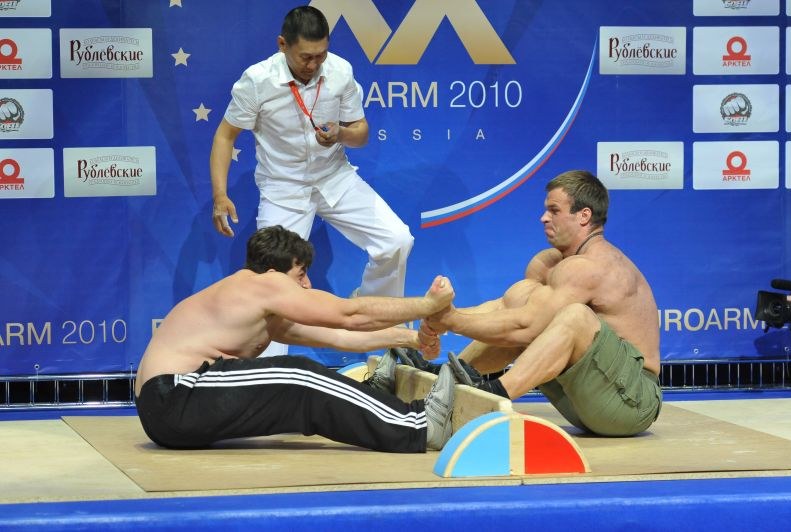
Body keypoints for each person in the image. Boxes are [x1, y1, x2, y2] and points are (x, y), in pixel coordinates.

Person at [135, 226, 456, 453]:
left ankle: (379, 405)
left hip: (168, 412)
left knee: (300, 381)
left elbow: (340, 336)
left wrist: (414, 338)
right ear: (273, 273)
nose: (307, 284)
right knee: (299, 376)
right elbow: (349, 314)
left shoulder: (258, 310)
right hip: (173, 396)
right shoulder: (261, 285)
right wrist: (428, 305)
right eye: (300, 274)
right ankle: (419, 425)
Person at [424, 170, 662, 437]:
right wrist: (439, 315)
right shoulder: (556, 263)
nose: (544, 218)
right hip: (588, 398)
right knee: (527, 300)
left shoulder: (593, 266)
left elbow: (527, 328)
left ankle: (492, 397)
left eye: (554, 210)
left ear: (584, 216)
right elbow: (506, 309)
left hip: (633, 402)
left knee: (573, 317)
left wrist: (453, 322)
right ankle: (444, 380)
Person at [209, 5, 412, 301]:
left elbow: (361, 134)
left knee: (397, 241)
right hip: (283, 187)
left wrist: (341, 134)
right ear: (282, 45)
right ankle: (278, 335)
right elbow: (225, 136)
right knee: (272, 279)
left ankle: (376, 313)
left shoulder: (340, 71)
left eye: (321, 55)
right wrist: (220, 195)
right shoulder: (257, 81)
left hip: (335, 178)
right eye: (306, 57)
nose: (314, 64)